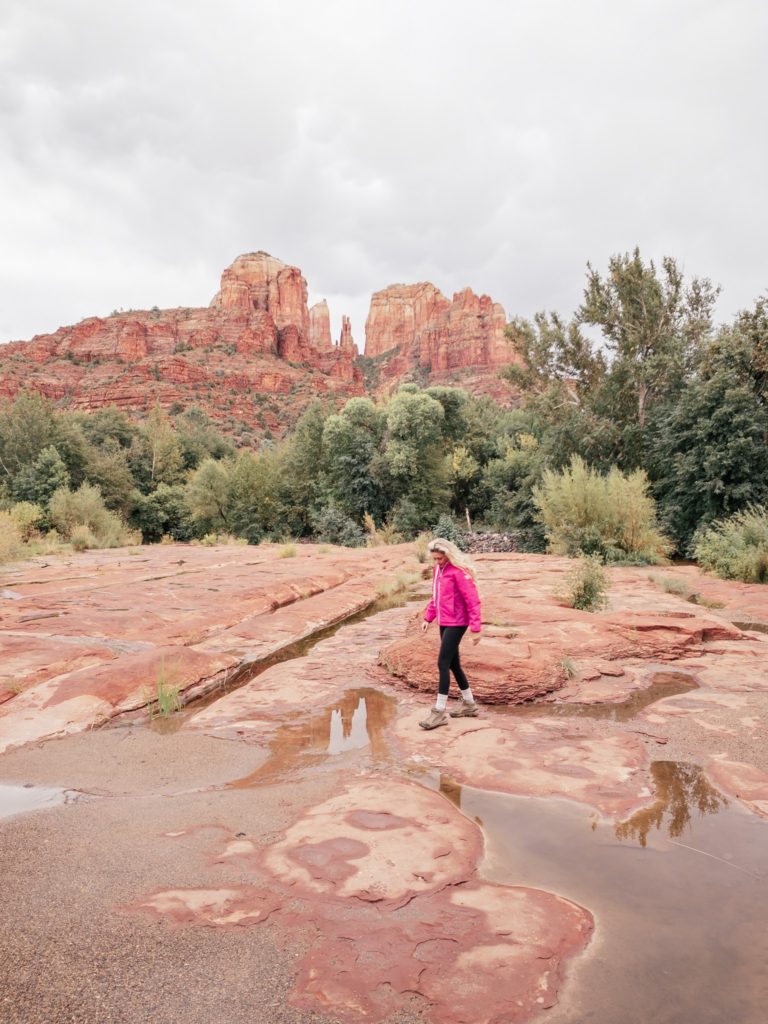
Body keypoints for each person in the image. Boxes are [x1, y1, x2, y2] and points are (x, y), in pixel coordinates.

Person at [419, 537, 482, 730]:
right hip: (444, 621)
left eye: (440, 558)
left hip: (458, 622)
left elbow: (472, 600)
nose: (437, 562)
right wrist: (428, 618)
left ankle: (439, 712)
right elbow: (435, 597)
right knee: (454, 664)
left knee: (443, 663)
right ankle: (469, 704)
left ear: (448, 554)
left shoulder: (459, 573)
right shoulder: (437, 570)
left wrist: (475, 628)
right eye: (435, 558)